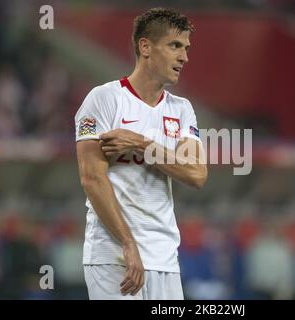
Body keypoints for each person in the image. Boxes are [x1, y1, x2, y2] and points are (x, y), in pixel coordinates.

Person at [74, 8, 207, 300]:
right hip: (113, 256)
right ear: (145, 47)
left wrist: (141, 145)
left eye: (186, 48)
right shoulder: (104, 99)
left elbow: (196, 173)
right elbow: (92, 179)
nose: (184, 57)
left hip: (164, 259)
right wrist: (128, 244)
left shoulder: (181, 109)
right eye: (175, 46)